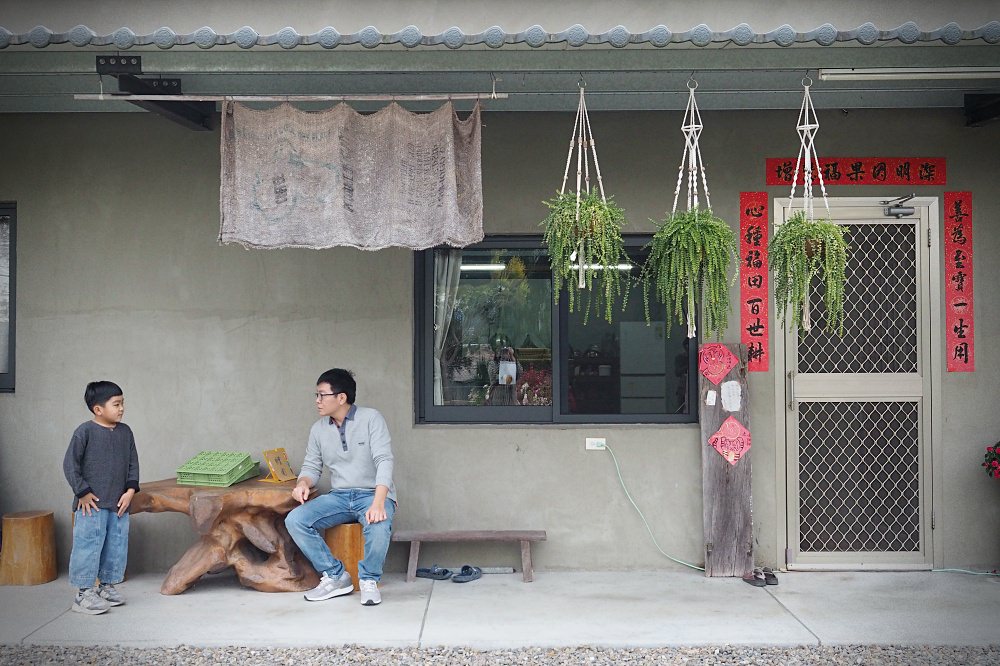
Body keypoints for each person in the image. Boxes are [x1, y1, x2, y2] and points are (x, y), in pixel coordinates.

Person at [285, 368, 396, 606]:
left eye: (322, 395)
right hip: (340, 496)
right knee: (295, 520)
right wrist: (302, 484)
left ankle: (368, 580)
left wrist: (379, 502)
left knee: (378, 524)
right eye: (316, 395)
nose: (317, 401)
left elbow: (384, 460)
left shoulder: (371, 418)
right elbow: (311, 467)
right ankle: (336, 576)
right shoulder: (318, 429)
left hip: (371, 494)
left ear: (341, 397)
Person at [62, 381, 140, 615]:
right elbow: (70, 464)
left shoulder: (126, 432)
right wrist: (82, 492)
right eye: (116, 404)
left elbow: (132, 464)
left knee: (116, 545)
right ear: (98, 409)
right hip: (91, 505)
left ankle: (106, 586)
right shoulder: (84, 432)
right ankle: (84, 593)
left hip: (118, 503)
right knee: (88, 545)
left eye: (122, 403)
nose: (121, 408)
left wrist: (130, 491)